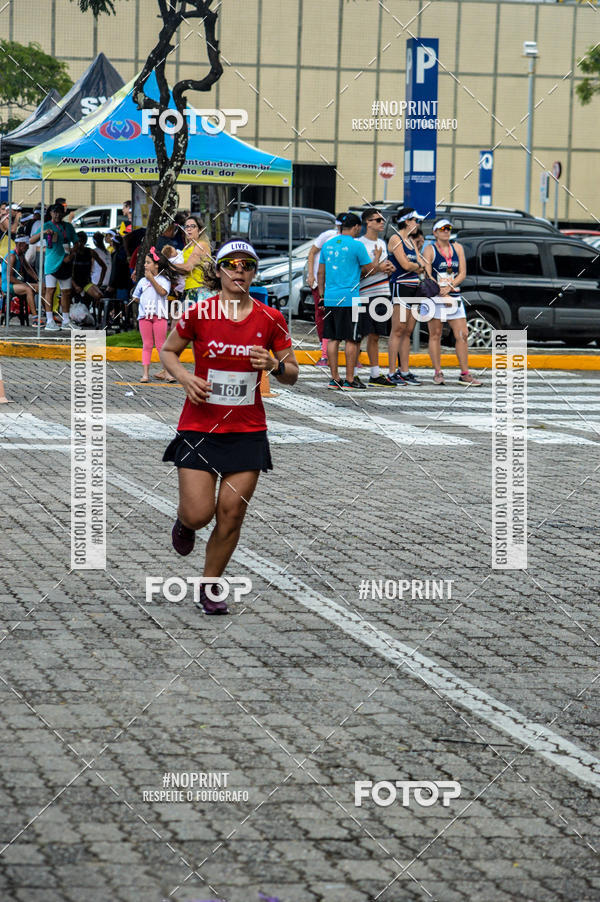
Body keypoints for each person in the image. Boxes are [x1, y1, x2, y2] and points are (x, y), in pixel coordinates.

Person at [159, 239, 298, 615]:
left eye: (247, 265)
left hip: (246, 430)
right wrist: (186, 378)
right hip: (199, 427)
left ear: (254, 273)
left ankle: (210, 586)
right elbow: (168, 351)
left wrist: (273, 365)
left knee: (232, 513)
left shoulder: (270, 318)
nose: (240, 270)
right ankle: (185, 524)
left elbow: (292, 373)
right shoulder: (199, 313)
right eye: (232, 264)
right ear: (218, 271)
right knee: (198, 514)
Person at [317, 212, 375, 390]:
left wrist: (321, 295)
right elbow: (369, 269)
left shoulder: (327, 245)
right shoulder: (357, 246)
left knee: (333, 339)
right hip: (351, 299)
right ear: (356, 227)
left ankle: (334, 379)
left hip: (330, 297)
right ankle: (350, 379)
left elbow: (320, 273)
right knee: (352, 339)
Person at [422, 219, 482, 386]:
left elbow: (462, 273)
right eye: (442, 229)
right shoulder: (430, 249)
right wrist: (440, 290)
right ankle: (438, 372)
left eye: (448, 228)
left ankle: (465, 373)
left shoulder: (457, 248)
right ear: (435, 232)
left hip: (453, 295)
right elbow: (427, 274)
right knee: (436, 334)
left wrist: (449, 288)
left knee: (463, 334)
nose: (446, 231)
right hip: (435, 296)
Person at [386, 208, 426, 386]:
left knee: (408, 330)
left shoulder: (410, 240)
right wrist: (416, 266)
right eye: (415, 220)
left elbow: (421, 264)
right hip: (401, 287)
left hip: (413, 288)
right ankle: (391, 372)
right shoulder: (396, 239)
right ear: (407, 221)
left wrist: (415, 265)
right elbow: (405, 265)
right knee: (398, 329)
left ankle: (404, 370)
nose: (418, 224)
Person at [357, 209, 396, 387]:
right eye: (378, 220)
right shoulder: (359, 244)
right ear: (368, 222)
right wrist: (379, 266)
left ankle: (374, 373)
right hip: (364, 294)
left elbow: (383, 266)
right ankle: (353, 373)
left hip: (382, 292)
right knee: (358, 336)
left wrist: (388, 268)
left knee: (375, 335)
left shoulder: (381, 242)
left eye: (383, 220)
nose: (382, 223)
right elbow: (360, 272)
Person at [306, 214, 345, 366]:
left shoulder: (350, 241)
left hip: (337, 284)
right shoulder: (327, 236)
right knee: (321, 314)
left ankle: (333, 345)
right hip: (320, 282)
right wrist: (311, 274)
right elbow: (311, 253)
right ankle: (323, 345)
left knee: (339, 315)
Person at [31, 203, 77, 332]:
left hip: (66, 263)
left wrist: (71, 255)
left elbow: (76, 242)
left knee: (66, 292)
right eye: (54, 212)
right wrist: (43, 232)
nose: (57, 215)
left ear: (63, 213)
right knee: (50, 291)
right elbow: (31, 240)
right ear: (51, 213)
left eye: (59, 212)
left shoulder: (68, 226)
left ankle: (66, 321)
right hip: (51, 263)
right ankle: (49, 320)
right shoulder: (47, 225)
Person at [133, 247, 173, 383]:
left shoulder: (164, 280)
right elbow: (135, 296)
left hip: (160, 316)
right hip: (145, 316)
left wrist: (151, 279)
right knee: (147, 345)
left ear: (156, 265)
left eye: (148, 262)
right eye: (145, 262)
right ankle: (145, 374)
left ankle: (167, 372)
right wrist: (143, 301)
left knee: (161, 345)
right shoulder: (142, 282)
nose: (145, 265)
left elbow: (162, 292)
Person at [170, 215, 212, 311]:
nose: (188, 229)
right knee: (179, 318)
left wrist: (167, 265)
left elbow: (188, 267)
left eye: (193, 226)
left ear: (200, 230)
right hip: (188, 289)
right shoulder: (186, 248)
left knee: (184, 318)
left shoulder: (201, 245)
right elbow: (183, 270)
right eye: (186, 226)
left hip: (199, 289)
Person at [2, 234, 39, 322]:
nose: (28, 248)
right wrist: (24, 284)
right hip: (8, 285)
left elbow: (28, 268)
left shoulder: (21, 255)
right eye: (26, 246)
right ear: (20, 244)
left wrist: (38, 280)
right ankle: (35, 319)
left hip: (17, 284)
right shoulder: (12, 256)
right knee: (28, 289)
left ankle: (49, 316)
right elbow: (9, 278)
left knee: (41, 287)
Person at [71, 231, 107, 308]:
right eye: (78, 242)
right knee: (66, 297)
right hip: (73, 282)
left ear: (85, 242)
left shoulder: (90, 252)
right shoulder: (72, 253)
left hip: (86, 283)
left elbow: (104, 267)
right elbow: (67, 272)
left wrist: (100, 283)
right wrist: (75, 286)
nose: (80, 244)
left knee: (99, 296)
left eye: (82, 241)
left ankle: (96, 312)